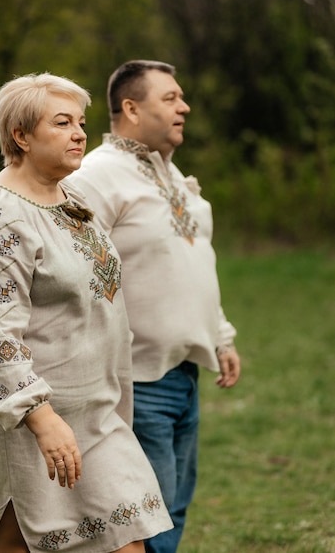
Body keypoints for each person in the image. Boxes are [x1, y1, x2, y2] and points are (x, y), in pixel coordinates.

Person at [0, 72, 173, 553]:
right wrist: (38, 416)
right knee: (15, 543)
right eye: (63, 122)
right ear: (21, 136)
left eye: (82, 123)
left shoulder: (72, 198)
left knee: (125, 538)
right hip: (27, 419)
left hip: (94, 411)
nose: (80, 134)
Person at [67, 60, 241, 553]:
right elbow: (69, 270)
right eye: (170, 98)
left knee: (175, 505)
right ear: (130, 108)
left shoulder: (170, 173)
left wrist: (221, 336)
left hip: (185, 372)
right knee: (146, 521)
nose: (184, 107)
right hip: (137, 377)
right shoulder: (97, 177)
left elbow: (193, 263)